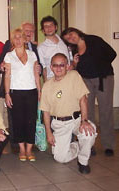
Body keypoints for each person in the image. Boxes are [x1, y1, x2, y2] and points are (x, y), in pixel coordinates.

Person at [61, 27, 117, 156]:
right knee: (87, 112)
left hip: (103, 79)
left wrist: (102, 66)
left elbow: (112, 54)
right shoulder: (74, 50)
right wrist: (74, 63)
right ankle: (89, 145)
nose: (71, 37)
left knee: (105, 111)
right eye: (68, 38)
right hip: (86, 81)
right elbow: (76, 68)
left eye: (71, 34)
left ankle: (108, 145)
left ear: (76, 31)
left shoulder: (94, 40)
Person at [40, 53, 97, 174]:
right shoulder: (46, 86)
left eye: (62, 65)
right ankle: (78, 146)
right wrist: (48, 133)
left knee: (89, 133)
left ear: (67, 66)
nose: (59, 68)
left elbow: (83, 99)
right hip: (59, 124)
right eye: (55, 65)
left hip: (77, 119)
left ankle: (83, 162)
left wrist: (84, 121)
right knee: (60, 158)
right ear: (51, 67)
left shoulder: (74, 76)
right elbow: (45, 112)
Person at [4, 28, 41, 162]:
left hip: (31, 91)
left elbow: (36, 73)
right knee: (18, 122)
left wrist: (39, 91)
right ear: (12, 40)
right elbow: (7, 76)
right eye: (15, 37)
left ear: (25, 39)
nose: (18, 40)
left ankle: (30, 149)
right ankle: (22, 149)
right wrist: (7, 93)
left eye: (20, 37)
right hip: (16, 93)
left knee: (31, 121)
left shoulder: (32, 54)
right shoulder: (9, 56)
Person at [38, 16, 70, 81]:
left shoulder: (64, 42)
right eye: (46, 26)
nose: (49, 28)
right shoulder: (41, 48)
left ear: (56, 27)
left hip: (67, 78)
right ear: (43, 30)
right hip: (52, 80)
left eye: (51, 25)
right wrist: (46, 83)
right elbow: (44, 68)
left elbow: (69, 61)